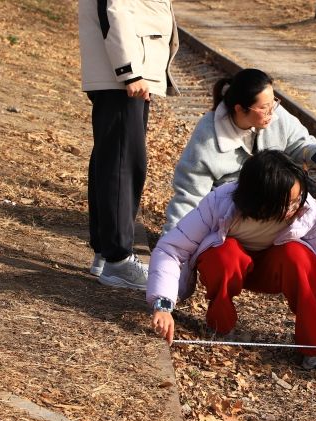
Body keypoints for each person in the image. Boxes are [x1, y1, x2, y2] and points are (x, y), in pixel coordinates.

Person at [148, 151, 316, 370]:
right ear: (262, 200)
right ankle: (220, 325)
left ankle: (313, 346)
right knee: (223, 252)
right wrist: (163, 304)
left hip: (276, 270)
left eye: (298, 199)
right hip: (233, 266)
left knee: (299, 256)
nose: (295, 207)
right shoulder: (221, 202)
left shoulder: (308, 210)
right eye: (288, 203)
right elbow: (171, 249)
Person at [163, 68, 316, 234]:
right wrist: (173, 242)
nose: (272, 112)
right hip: (232, 217)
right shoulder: (207, 137)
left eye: (274, 102)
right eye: (264, 108)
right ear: (240, 109)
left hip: (277, 208)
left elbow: (300, 146)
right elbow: (190, 196)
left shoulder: (277, 116)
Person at [79, 0, 179, 289]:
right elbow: (114, 9)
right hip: (124, 74)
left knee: (111, 159)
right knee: (123, 164)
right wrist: (129, 71)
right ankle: (118, 259)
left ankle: (106, 250)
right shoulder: (127, 74)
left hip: (122, 72)